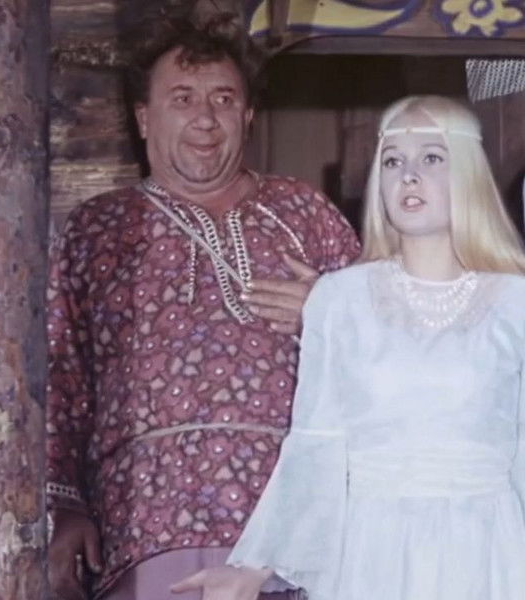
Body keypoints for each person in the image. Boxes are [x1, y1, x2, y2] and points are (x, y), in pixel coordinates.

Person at [45, 14, 360, 600]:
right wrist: (65, 506)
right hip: (144, 529)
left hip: (293, 531)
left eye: (224, 98)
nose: (206, 118)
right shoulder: (99, 229)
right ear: (144, 118)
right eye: (183, 98)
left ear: (248, 115)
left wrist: (332, 316)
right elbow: (64, 379)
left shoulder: (305, 213)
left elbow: (390, 354)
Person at [173, 94, 525, 600]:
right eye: (393, 162)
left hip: (487, 550)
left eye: (431, 158)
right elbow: (316, 443)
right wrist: (253, 567)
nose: (409, 176)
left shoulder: (514, 303)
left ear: (469, 172)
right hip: (371, 551)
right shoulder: (340, 299)